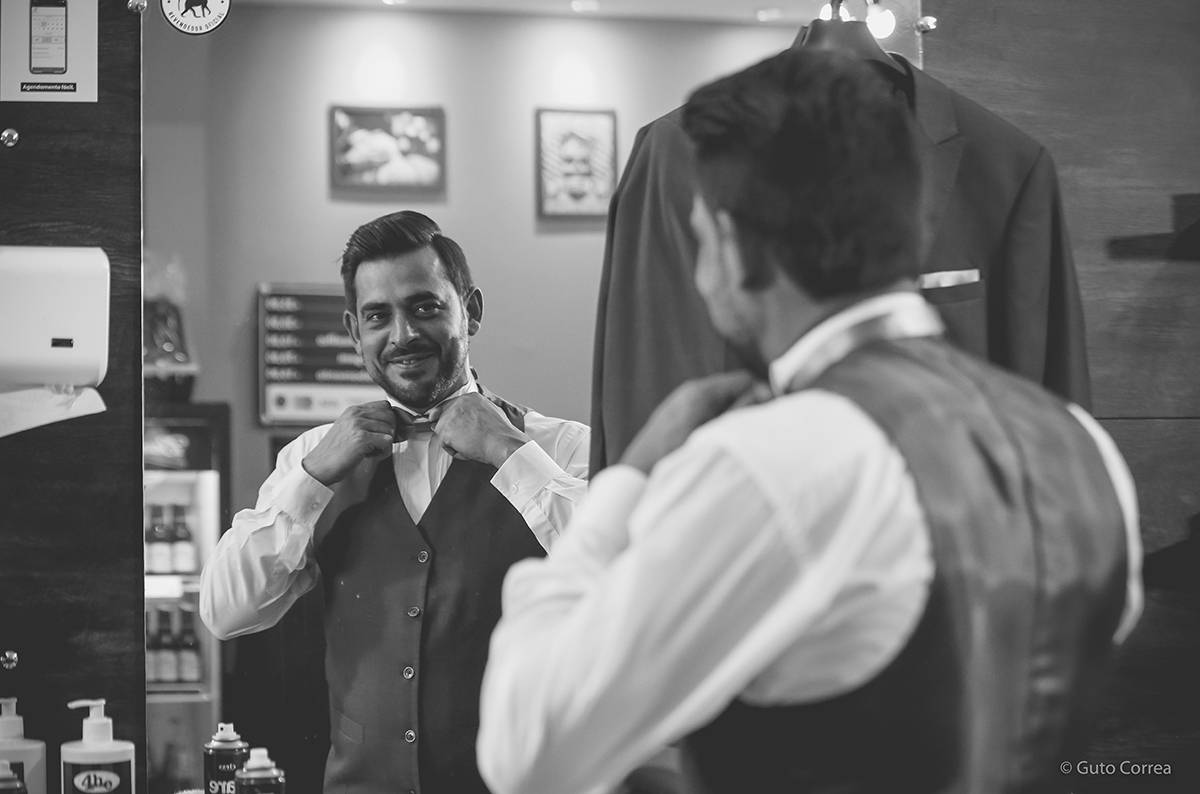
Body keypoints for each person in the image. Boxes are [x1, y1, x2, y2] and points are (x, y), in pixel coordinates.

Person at [476, 49, 1142, 794]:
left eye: (701, 241)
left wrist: (626, 483)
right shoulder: (1081, 448)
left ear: (736, 249)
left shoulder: (771, 466)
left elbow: (527, 753)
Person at [200, 210, 589, 794]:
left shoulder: (563, 448)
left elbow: (621, 581)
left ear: (471, 310)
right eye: (378, 316)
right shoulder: (312, 459)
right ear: (354, 331)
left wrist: (511, 454)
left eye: (424, 307)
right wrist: (312, 478)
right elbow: (226, 612)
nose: (402, 335)